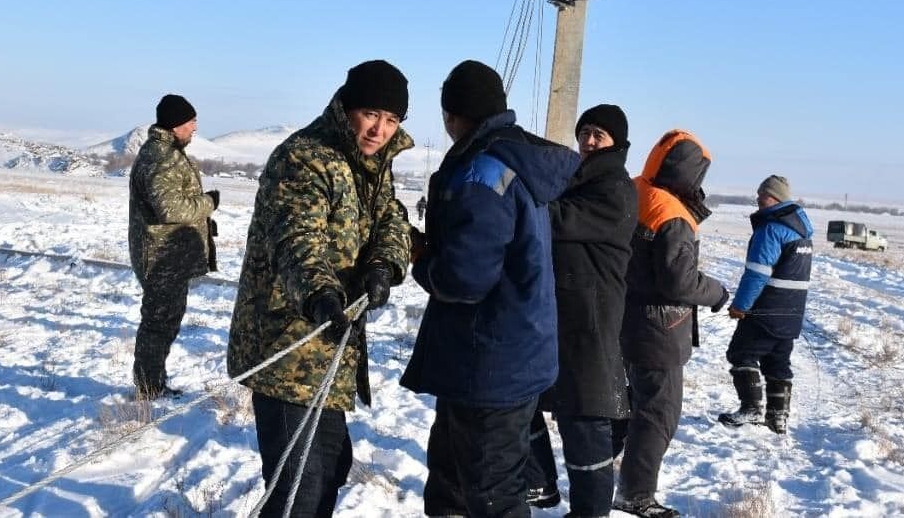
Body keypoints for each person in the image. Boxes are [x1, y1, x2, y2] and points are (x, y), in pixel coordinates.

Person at [227, 60, 414, 518]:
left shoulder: (371, 164)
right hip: (288, 343)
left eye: (391, 120)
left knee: (329, 466)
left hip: (329, 350)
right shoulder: (304, 157)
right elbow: (297, 239)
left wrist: (383, 264)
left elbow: (391, 217)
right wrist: (319, 294)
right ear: (346, 107)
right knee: (301, 485)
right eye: (371, 113)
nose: (379, 129)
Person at [401, 60, 579, 518]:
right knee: (454, 481)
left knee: (490, 494)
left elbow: (465, 279)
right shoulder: (516, 160)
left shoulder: (482, 173)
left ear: (453, 116)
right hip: (508, 354)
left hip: (488, 362)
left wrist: (422, 258)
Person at [525, 104, 637, 517]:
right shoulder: (578, 178)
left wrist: (518, 196)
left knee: (585, 420)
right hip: (559, 317)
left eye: (599, 135)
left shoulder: (614, 189)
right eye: (585, 132)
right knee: (523, 398)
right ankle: (539, 484)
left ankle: (590, 511)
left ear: (617, 144)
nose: (589, 141)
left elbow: (556, 219)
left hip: (591, 322)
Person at [616, 130, 730, 518]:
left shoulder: (635, 190)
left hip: (624, 318)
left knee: (632, 404)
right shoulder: (673, 215)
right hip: (658, 329)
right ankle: (636, 495)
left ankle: (606, 468)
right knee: (658, 414)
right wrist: (717, 293)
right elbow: (679, 283)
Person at [128, 93, 220, 400]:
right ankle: (149, 387)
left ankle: (152, 382)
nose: (195, 127)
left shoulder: (167, 152)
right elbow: (171, 210)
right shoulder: (162, 157)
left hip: (168, 256)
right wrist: (208, 203)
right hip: (161, 258)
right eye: (191, 121)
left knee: (164, 321)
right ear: (177, 124)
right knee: (158, 323)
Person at [718, 175, 814, 435]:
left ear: (776, 198)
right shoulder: (801, 231)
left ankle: (750, 409)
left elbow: (757, 273)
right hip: (792, 311)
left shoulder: (771, 229)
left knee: (741, 353)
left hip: (766, 308)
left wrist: (740, 306)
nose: (758, 199)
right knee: (778, 361)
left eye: (762, 195)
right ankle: (778, 417)